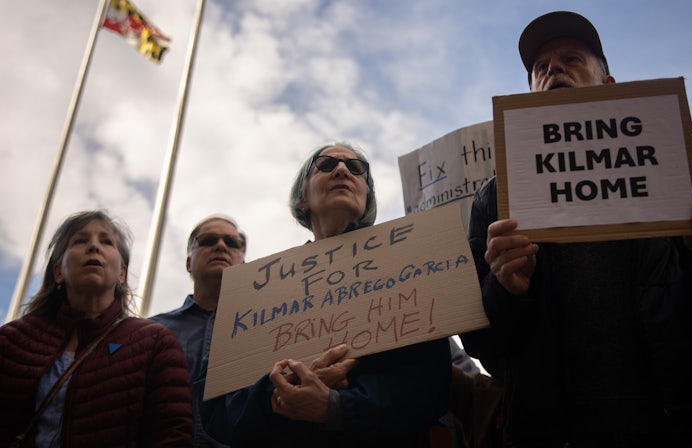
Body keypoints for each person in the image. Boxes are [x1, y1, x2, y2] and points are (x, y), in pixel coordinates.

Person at [460, 11, 692, 447]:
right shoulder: (496, 200)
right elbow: (480, 342)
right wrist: (506, 291)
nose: (553, 69)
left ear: (610, 86)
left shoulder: (677, 174)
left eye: (572, 58)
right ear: (530, 94)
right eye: (541, 68)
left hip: (675, 425)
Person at [198, 142, 452, 447]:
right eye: (326, 164)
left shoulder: (409, 266)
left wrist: (336, 407)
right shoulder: (255, 292)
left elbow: (431, 388)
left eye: (356, 169)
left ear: (367, 196)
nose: (343, 169)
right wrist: (281, 392)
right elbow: (215, 406)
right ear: (303, 200)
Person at [0, 210, 193, 447]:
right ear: (58, 272)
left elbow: (173, 434)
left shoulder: (155, 342)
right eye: (80, 241)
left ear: (121, 273)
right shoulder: (11, 341)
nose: (94, 246)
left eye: (106, 241)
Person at [151, 215, 247, 447]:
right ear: (188, 262)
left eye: (232, 243)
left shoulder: (268, 329)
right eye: (208, 240)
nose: (221, 246)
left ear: (244, 264)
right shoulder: (150, 332)